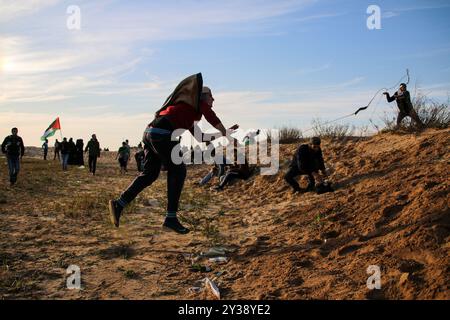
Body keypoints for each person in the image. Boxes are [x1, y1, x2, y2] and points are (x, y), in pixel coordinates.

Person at [109, 73, 238, 234]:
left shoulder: (187, 113)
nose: (213, 100)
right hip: (162, 133)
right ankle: (170, 218)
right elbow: (211, 116)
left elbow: (201, 137)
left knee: (149, 174)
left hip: (150, 132)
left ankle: (119, 204)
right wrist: (225, 131)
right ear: (203, 97)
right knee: (178, 170)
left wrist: (223, 133)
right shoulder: (198, 104)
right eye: (212, 97)